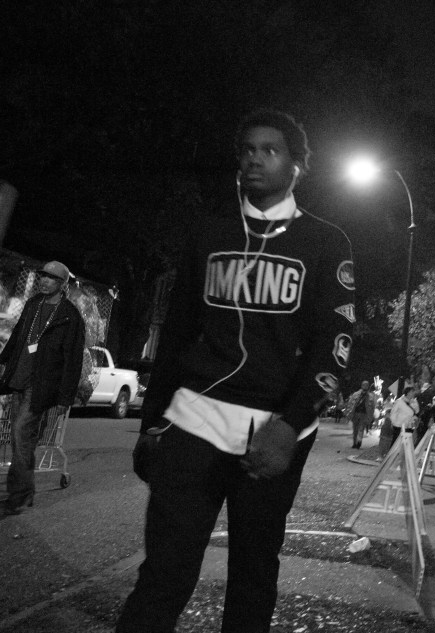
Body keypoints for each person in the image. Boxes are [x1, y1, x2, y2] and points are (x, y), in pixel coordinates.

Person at [116, 110, 355, 633]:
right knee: (164, 574)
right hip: (194, 422)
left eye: (270, 150)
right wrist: (151, 424)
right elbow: (177, 333)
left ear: (298, 166)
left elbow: (333, 347)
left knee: (252, 575)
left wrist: (290, 424)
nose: (253, 159)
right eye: (247, 149)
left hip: (271, 434)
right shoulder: (210, 232)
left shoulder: (326, 242)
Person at [0, 261, 85, 515]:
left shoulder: (69, 315)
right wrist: (3, 362)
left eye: (50, 278)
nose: (44, 280)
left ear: (62, 284)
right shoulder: (33, 305)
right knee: (21, 440)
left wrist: (64, 397)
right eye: (43, 276)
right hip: (19, 379)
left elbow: (72, 359)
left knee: (20, 433)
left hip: (41, 386)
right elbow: (18, 337)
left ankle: (19, 495)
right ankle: (25, 493)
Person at [388, 385, 419, 451]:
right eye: (412, 392)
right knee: (396, 443)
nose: (413, 393)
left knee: (405, 443)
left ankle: (401, 457)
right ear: (407, 393)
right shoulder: (399, 401)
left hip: (409, 425)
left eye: (414, 392)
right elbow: (393, 413)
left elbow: (417, 411)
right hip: (399, 425)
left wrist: (414, 403)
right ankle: (391, 457)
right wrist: (394, 422)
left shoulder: (413, 401)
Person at [346, 380, 374, 449]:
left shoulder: (370, 396)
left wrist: (370, 416)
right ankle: (354, 443)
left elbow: (372, 407)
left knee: (361, 429)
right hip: (355, 414)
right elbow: (350, 404)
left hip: (364, 414)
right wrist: (349, 413)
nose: (365, 386)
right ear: (361, 385)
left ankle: (359, 442)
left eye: (367, 385)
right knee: (355, 429)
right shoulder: (355, 394)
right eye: (364, 385)